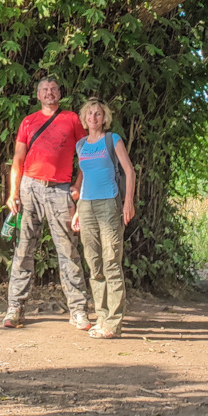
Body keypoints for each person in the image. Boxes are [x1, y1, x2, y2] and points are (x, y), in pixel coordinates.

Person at [3, 77, 91, 330]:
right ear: (38, 95)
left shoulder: (72, 119)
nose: (49, 93)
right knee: (23, 249)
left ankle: (78, 309)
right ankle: (14, 307)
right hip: (30, 187)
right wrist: (13, 192)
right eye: (44, 90)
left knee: (68, 251)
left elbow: (85, 154)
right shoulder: (28, 122)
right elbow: (18, 158)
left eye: (53, 89)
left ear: (59, 94)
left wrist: (78, 184)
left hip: (60, 189)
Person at [70, 97, 136, 339]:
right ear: (84, 118)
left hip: (109, 204)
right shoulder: (81, 145)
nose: (93, 118)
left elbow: (129, 170)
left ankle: (114, 323)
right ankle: (101, 316)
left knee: (111, 260)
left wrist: (128, 201)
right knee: (94, 262)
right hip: (86, 205)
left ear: (104, 118)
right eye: (90, 114)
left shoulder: (112, 140)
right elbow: (85, 177)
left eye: (98, 114)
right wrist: (78, 210)